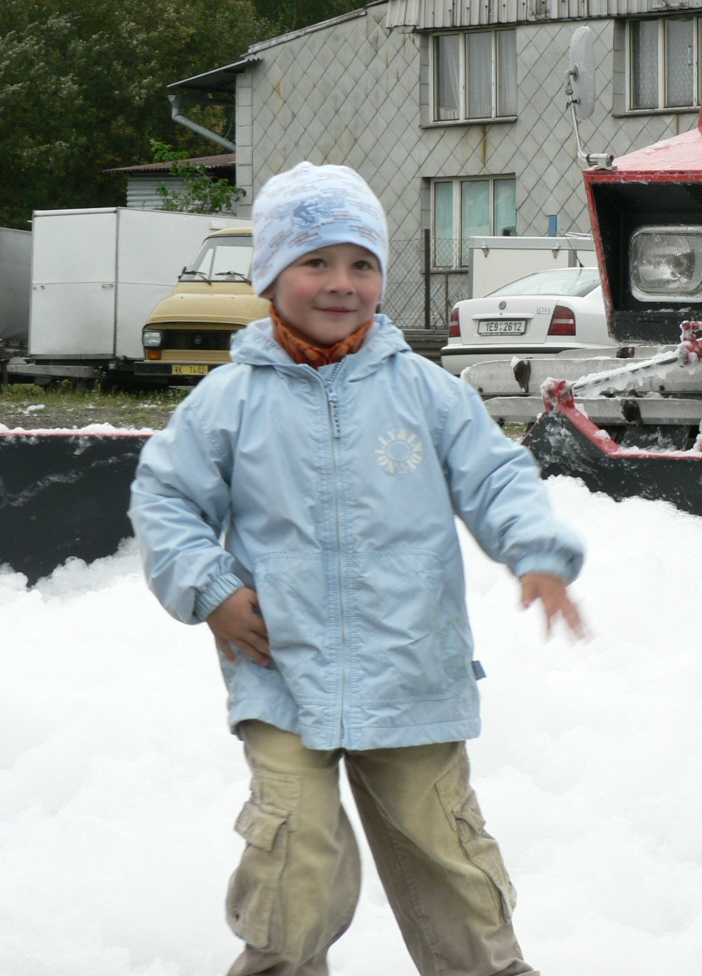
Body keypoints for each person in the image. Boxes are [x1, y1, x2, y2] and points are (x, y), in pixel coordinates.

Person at [130, 161, 584, 976]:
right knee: (293, 851)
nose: (341, 283)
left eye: (361, 264)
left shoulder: (427, 392)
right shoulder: (228, 401)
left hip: (412, 666)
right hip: (281, 669)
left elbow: (495, 476)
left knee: (446, 849)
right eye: (316, 261)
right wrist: (212, 589)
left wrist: (537, 552)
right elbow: (165, 501)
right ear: (271, 276)